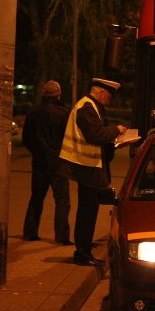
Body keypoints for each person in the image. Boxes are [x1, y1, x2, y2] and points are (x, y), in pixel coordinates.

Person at [59, 78, 127, 266]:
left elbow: (97, 134)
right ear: (100, 92)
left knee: (88, 211)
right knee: (87, 213)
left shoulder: (90, 106)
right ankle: (82, 253)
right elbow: (95, 135)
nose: (110, 100)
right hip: (86, 167)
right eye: (109, 96)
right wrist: (116, 130)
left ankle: (84, 250)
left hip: (89, 167)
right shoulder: (87, 108)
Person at [21, 80, 72, 244]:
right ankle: (62, 237)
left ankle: (30, 232)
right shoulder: (64, 114)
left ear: (43, 94)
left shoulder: (33, 113)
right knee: (62, 200)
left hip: (39, 162)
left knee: (36, 197)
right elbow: (68, 140)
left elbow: (26, 139)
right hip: (58, 163)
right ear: (58, 95)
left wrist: (37, 153)